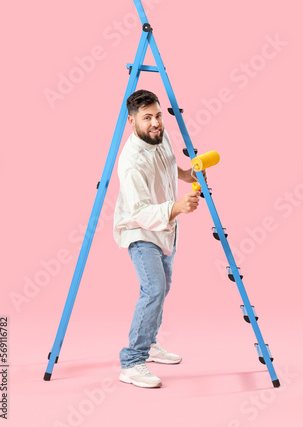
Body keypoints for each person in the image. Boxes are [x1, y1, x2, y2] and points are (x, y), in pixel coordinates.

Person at [113, 89, 206, 388]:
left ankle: (150, 344)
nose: (155, 123)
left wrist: (186, 175)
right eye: (147, 118)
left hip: (166, 226)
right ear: (131, 121)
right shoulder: (130, 162)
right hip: (140, 230)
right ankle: (131, 362)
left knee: (163, 287)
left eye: (157, 116)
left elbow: (166, 164)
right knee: (153, 289)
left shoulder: (159, 135)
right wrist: (177, 207)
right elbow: (139, 212)